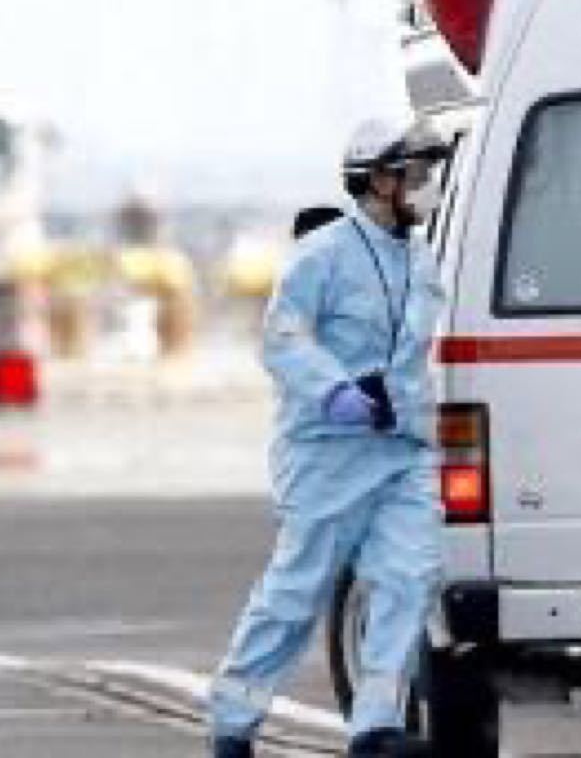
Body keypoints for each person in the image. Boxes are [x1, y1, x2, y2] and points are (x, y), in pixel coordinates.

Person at [208, 118, 451, 758]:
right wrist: (335, 391)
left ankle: (376, 725)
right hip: (327, 455)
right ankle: (233, 723)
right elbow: (283, 336)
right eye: (416, 174)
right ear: (380, 180)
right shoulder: (323, 253)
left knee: (407, 580)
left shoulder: (421, 260)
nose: (426, 186)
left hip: (404, 451)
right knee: (297, 594)